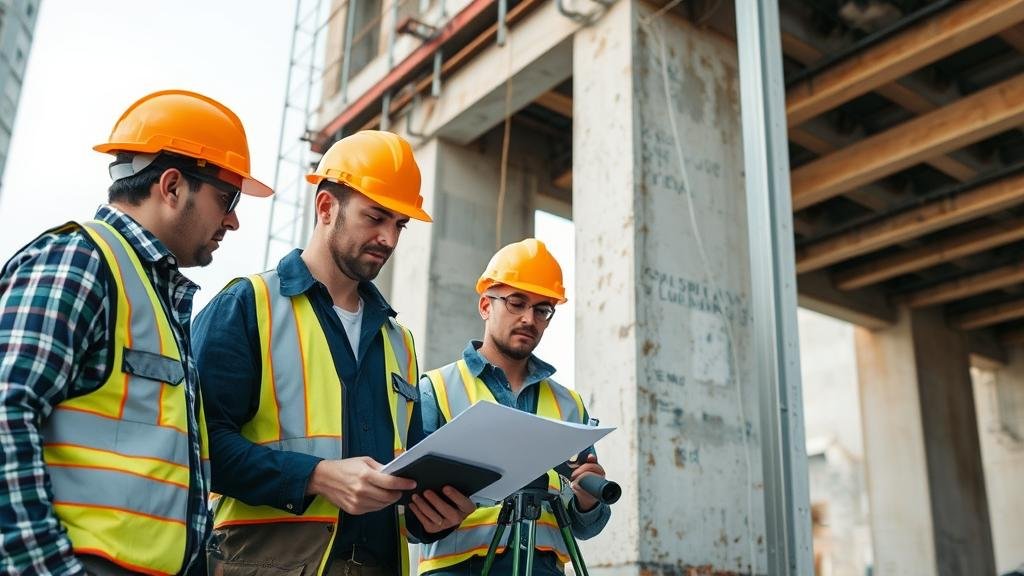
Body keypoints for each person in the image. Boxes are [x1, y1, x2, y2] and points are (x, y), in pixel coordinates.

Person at [0, 89, 272, 576]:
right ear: (171, 187)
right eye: (226, 198)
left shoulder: (154, 294)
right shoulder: (79, 261)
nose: (232, 219)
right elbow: (5, 411)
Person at [193, 130, 474, 576]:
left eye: (399, 224)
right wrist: (316, 476)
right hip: (266, 564)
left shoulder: (398, 341)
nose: (389, 238)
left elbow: (407, 472)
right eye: (376, 217)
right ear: (326, 207)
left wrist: (434, 515)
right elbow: (199, 446)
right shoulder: (249, 305)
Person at [417, 238, 611, 575]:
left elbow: (586, 527)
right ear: (485, 306)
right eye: (516, 302)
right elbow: (409, 509)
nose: (528, 318)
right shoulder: (436, 389)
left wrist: (587, 500)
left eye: (542, 309)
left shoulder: (569, 404)